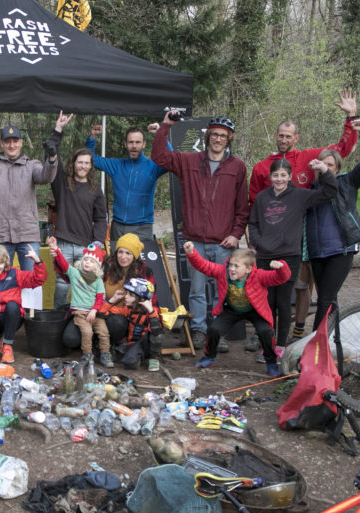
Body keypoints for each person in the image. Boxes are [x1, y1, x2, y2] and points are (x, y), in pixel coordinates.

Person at [249, 89, 360, 340]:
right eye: (281, 135)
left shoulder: (309, 157)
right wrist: (253, 240)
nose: (284, 139)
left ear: (296, 138)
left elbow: (342, 149)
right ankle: (268, 336)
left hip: (307, 232)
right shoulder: (261, 168)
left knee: (303, 287)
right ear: (275, 136)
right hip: (272, 240)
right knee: (273, 289)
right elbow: (252, 205)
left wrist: (351, 117)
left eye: (289, 136)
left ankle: (300, 330)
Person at [150, 114, 249, 351]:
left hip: (224, 242)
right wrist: (165, 127)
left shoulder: (237, 167)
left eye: (222, 136)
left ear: (229, 139)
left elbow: (242, 207)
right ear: (207, 136)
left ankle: (218, 333)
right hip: (195, 240)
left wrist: (236, 234)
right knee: (196, 291)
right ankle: (198, 332)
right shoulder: (189, 161)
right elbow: (160, 156)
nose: (217, 139)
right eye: (214, 134)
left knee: (223, 291)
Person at [0, 112, 67, 308]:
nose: (12, 145)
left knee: (32, 282)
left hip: (27, 234)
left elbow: (46, 176)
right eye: (7, 141)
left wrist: (52, 159)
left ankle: (31, 325)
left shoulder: (32, 165)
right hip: (0, 233)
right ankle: (0, 324)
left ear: (21, 143)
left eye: (15, 141)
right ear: (2, 144)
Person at [248, 158, 337, 360]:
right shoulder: (262, 198)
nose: (279, 179)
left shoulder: (299, 196)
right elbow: (252, 223)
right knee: (267, 302)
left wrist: (324, 171)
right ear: (270, 177)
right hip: (264, 256)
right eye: (275, 175)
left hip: (289, 256)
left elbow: (330, 192)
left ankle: (280, 346)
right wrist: (258, 243)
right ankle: (267, 345)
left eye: (283, 175)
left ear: (289, 176)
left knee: (283, 302)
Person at [305, 118, 360, 329]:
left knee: (324, 300)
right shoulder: (310, 190)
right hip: (317, 252)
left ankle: (312, 345)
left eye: (330, 165)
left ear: (336, 169)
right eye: (322, 164)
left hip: (341, 249)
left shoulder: (347, 182)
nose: (325, 168)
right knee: (330, 299)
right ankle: (334, 340)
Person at [183, 242, 290, 377]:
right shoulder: (223, 272)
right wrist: (192, 253)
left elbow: (281, 278)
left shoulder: (259, 276)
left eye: (236, 266)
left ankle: (271, 363)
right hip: (232, 309)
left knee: (266, 332)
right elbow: (204, 265)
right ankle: (209, 357)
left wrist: (282, 267)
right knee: (214, 329)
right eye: (231, 265)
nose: (231, 269)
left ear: (248, 269)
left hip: (255, 310)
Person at [86, 124, 167, 244]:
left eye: (138, 142)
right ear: (125, 144)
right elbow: (90, 158)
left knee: (141, 263)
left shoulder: (153, 167)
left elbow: (171, 159)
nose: (134, 146)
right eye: (131, 142)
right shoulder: (117, 166)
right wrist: (92, 137)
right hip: (118, 228)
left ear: (144, 144)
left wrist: (160, 134)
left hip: (142, 228)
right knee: (116, 263)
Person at [50, 146, 108, 308]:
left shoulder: (95, 189)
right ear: (73, 163)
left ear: (91, 166)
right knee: (62, 284)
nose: (83, 166)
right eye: (80, 162)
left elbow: (100, 218)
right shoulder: (62, 184)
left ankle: (83, 318)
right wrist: (58, 133)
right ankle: (58, 319)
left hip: (85, 246)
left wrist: (98, 241)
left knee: (86, 284)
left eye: (86, 163)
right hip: (64, 243)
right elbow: (54, 159)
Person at [48, 237, 111, 367]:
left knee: (104, 332)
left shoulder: (98, 280)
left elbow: (100, 298)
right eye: (85, 260)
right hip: (81, 313)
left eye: (91, 261)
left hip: (95, 313)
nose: (87, 263)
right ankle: (87, 355)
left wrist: (94, 310)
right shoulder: (75, 273)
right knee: (87, 332)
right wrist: (57, 251)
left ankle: (106, 353)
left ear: (98, 265)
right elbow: (64, 264)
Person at [93, 233, 157, 350]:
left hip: (131, 315)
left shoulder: (144, 271)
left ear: (135, 256)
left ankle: (113, 344)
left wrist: (154, 324)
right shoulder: (107, 266)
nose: (123, 256)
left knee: (118, 323)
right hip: (105, 309)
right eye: (120, 252)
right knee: (71, 338)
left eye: (128, 253)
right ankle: (101, 342)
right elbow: (94, 289)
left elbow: (151, 300)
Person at [115, 277, 163, 371]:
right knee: (129, 364)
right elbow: (104, 312)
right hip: (133, 344)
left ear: (140, 298)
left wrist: (150, 310)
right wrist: (113, 299)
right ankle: (136, 354)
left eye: (130, 294)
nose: (126, 296)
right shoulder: (128, 309)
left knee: (156, 331)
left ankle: (154, 358)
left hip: (148, 344)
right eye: (127, 293)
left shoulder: (153, 311)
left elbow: (157, 332)